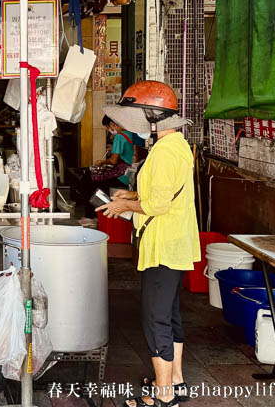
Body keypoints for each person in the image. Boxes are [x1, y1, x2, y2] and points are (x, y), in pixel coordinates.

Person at [96, 81, 200, 407]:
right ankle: (175, 381)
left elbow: (157, 206)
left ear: (154, 117)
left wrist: (124, 206)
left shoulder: (165, 152)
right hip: (174, 241)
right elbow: (161, 194)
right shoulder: (175, 146)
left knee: (155, 319)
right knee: (169, 315)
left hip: (163, 245)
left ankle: (164, 393)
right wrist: (129, 195)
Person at [93, 115, 146, 186]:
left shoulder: (119, 137)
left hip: (124, 175)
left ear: (112, 124)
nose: (109, 130)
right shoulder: (131, 133)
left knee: (95, 178)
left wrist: (102, 162)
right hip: (134, 172)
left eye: (108, 127)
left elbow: (113, 161)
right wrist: (113, 148)